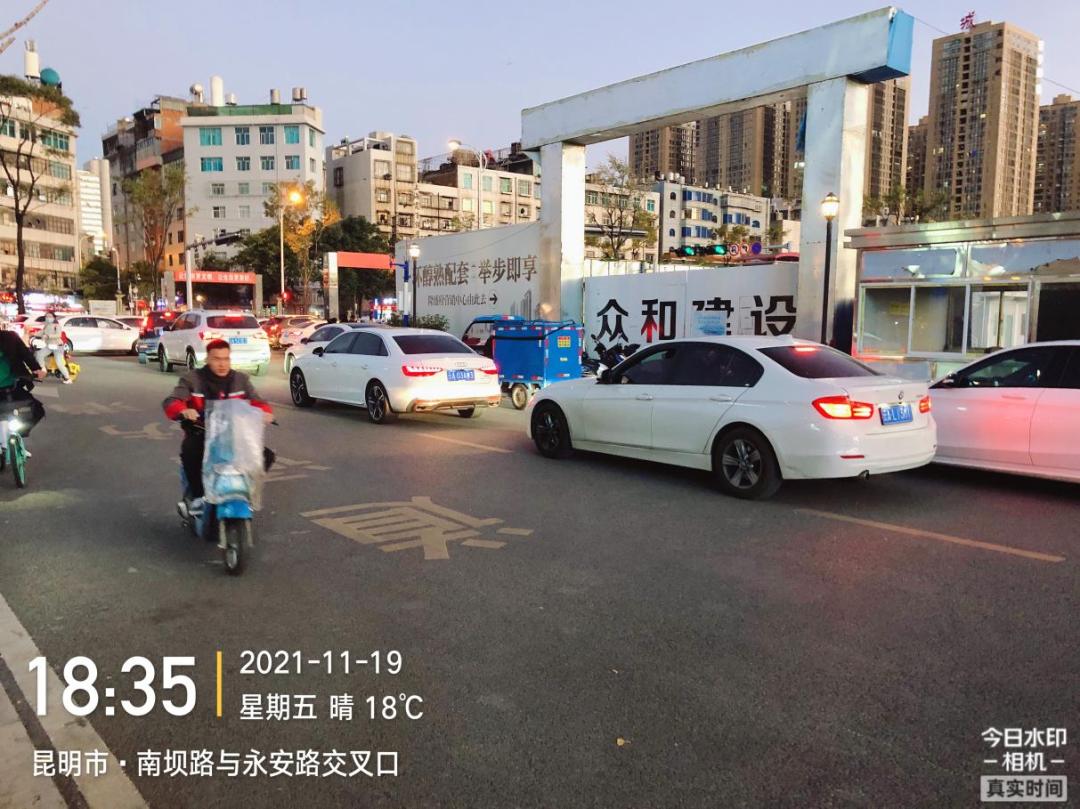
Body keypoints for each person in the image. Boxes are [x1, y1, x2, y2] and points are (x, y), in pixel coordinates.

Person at [162, 339, 273, 516]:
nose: (222, 364)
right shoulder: (192, 379)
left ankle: (245, 491)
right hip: (201, 433)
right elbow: (172, 401)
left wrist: (265, 413)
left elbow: (258, 402)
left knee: (265, 455)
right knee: (190, 452)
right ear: (207, 359)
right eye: (217, 359)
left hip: (232, 435)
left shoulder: (240, 380)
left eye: (226, 358)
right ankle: (198, 497)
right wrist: (184, 410)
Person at [0, 322, 47, 442]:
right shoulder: (11, 337)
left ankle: (17, 438)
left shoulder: (10, 337)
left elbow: (25, 354)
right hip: (10, 390)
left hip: (11, 389)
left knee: (36, 410)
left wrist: (36, 369)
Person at [35, 311, 71, 383]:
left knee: (59, 363)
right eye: (47, 316)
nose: (48, 318)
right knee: (38, 354)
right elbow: (42, 332)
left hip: (58, 346)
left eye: (50, 316)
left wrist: (48, 336)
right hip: (49, 346)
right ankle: (43, 369)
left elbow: (58, 335)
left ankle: (67, 378)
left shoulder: (57, 326)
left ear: (54, 318)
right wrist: (33, 334)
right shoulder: (46, 325)